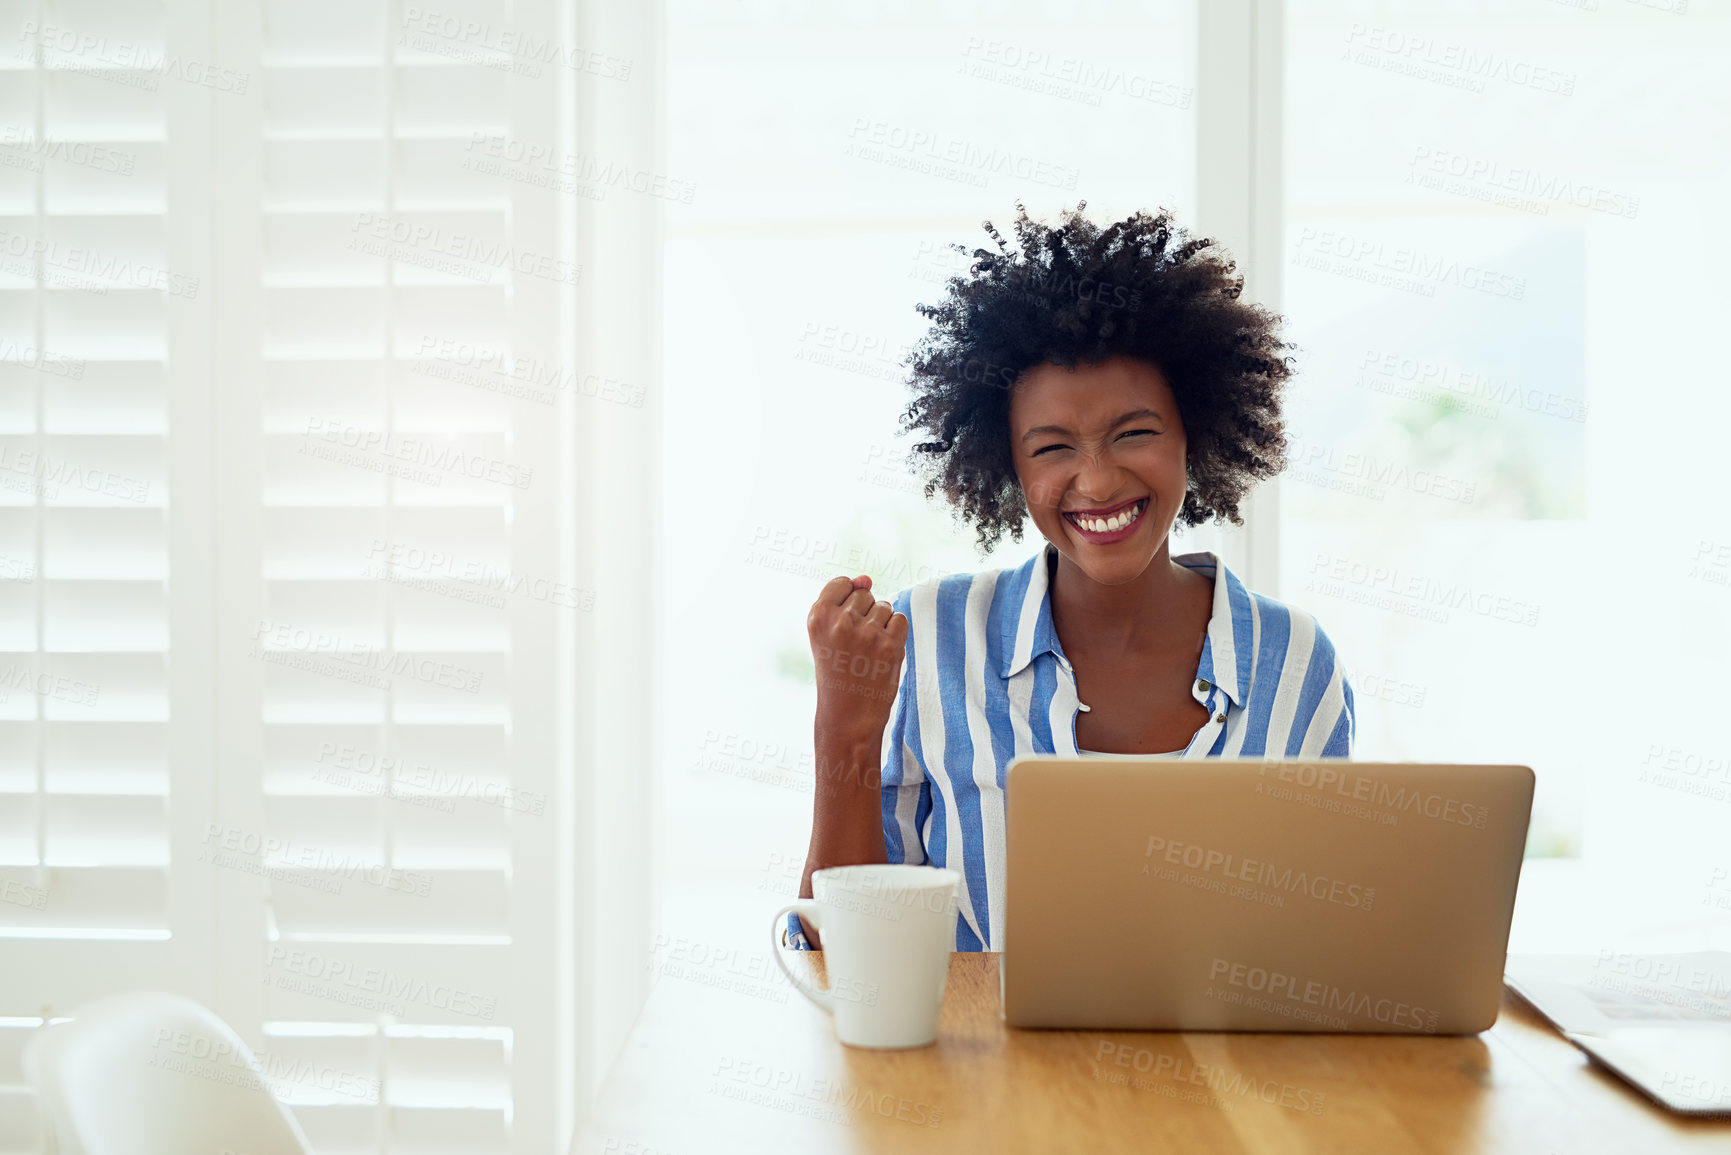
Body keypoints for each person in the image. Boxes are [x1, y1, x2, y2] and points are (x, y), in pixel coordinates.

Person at [787, 202, 1354, 952]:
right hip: (976, 1074)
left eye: (1135, 433)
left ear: (1195, 430)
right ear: (1008, 466)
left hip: (1224, 1073)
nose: (1095, 480)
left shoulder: (1293, 662)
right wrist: (844, 727)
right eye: (1052, 448)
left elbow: (1330, 949)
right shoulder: (930, 638)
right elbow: (842, 961)